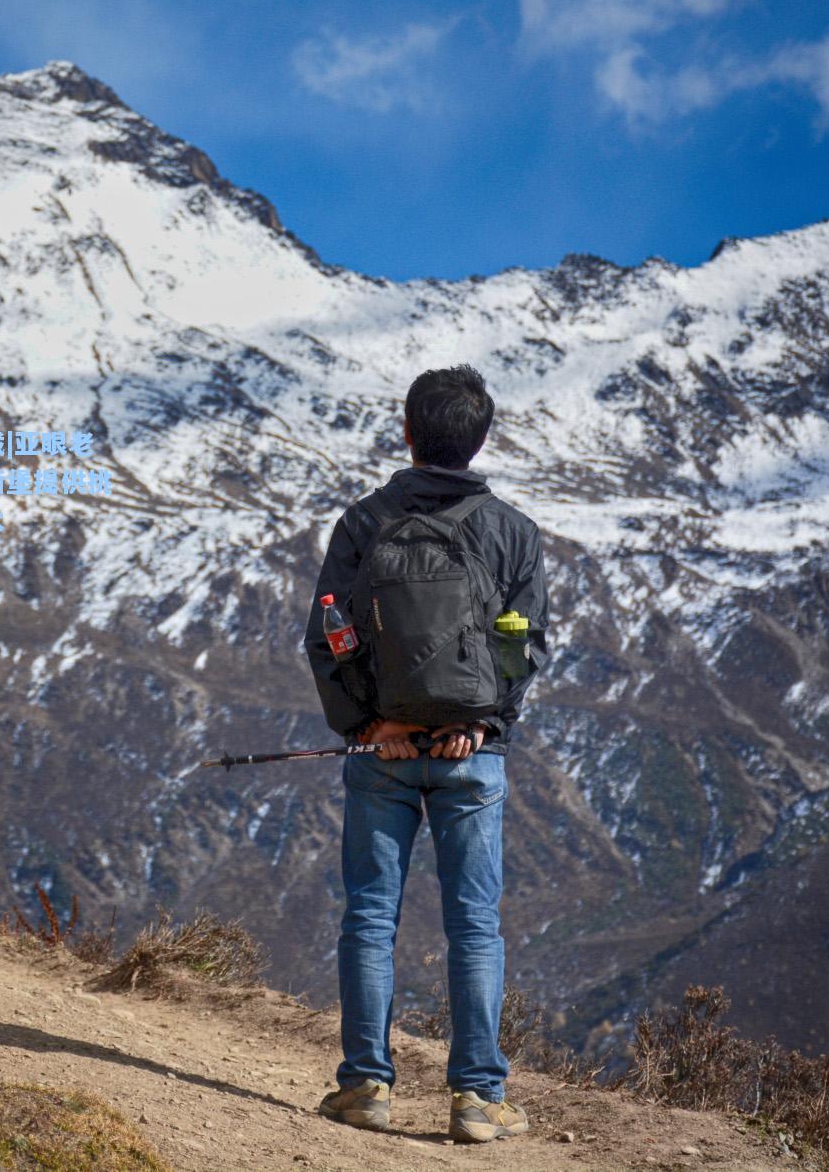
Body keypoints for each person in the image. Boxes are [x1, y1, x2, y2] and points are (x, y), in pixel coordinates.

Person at [302, 365, 549, 1144]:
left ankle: (365, 1085)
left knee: (370, 916)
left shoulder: (361, 523)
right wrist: (485, 723)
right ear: (480, 439)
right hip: (470, 759)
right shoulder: (513, 531)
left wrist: (366, 725)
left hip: (383, 752)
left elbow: (330, 633)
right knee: (475, 925)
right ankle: (478, 1097)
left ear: (408, 432)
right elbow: (523, 644)